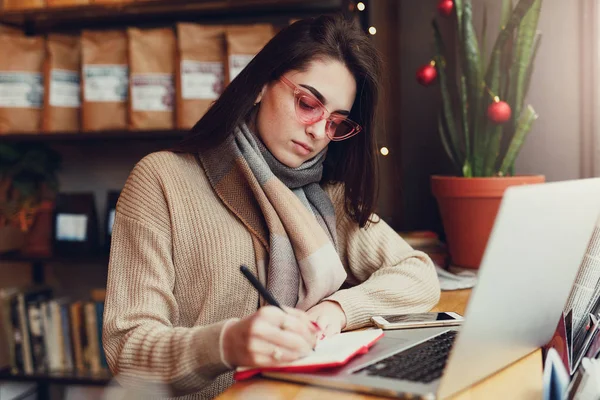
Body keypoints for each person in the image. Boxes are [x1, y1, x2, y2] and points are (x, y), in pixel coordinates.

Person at [102, 14, 441, 400]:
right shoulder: (162, 180)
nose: (318, 131)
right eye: (308, 103)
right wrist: (226, 343)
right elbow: (127, 352)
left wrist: (339, 309)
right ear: (263, 85)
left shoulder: (326, 193)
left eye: (336, 122)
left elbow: (417, 274)